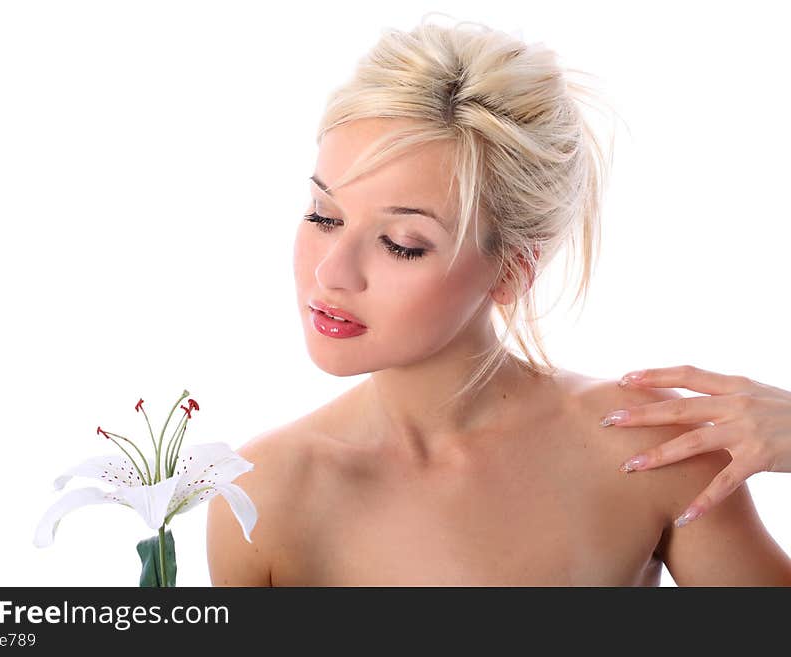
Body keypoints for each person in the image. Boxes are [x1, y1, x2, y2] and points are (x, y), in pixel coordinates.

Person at [206, 16, 791, 586]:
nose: (331, 273)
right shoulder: (262, 499)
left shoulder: (651, 448)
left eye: (402, 244)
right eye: (323, 215)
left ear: (511, 270)